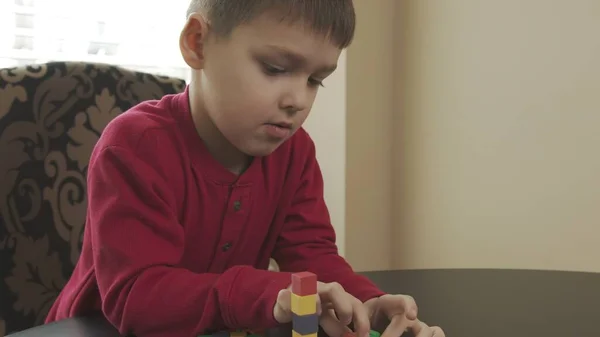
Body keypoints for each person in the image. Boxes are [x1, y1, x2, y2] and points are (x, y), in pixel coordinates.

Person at [45, 1, 445, 337]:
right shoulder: (133, 146)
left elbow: (311, 255)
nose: (297, 100)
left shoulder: (295, 153)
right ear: (198, 44)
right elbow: (137, 297)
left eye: (315, 80)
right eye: (275, 69)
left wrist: (366, 303)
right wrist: (269, 293)